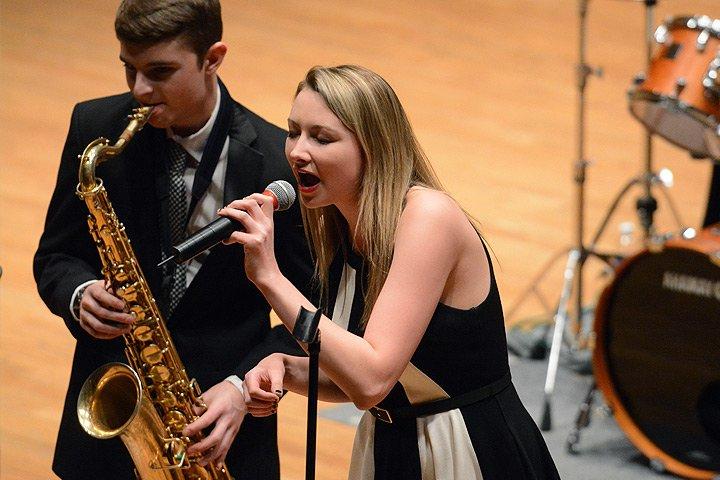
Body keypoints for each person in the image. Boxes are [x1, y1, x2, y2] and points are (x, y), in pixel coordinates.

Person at [187, 64, 561, 479]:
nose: (296, 151)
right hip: (390, 442)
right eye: (293, 132)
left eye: (322, 138)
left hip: (468, 447)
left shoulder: (427, 218)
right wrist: (286, 368)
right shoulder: (337, 228)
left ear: (374, 147)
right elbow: (365, 378)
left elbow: (371, 380)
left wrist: (269, 277)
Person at [33, 1, 313, 478]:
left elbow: (314, 308)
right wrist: (79, 294)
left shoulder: (277, 164)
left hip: (222, 429)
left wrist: (243, 386)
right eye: (130, 69)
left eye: (160, 71)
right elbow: (56, 255)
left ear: (214, 57)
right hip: (110, 428)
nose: (140, 90)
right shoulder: (95, 129)